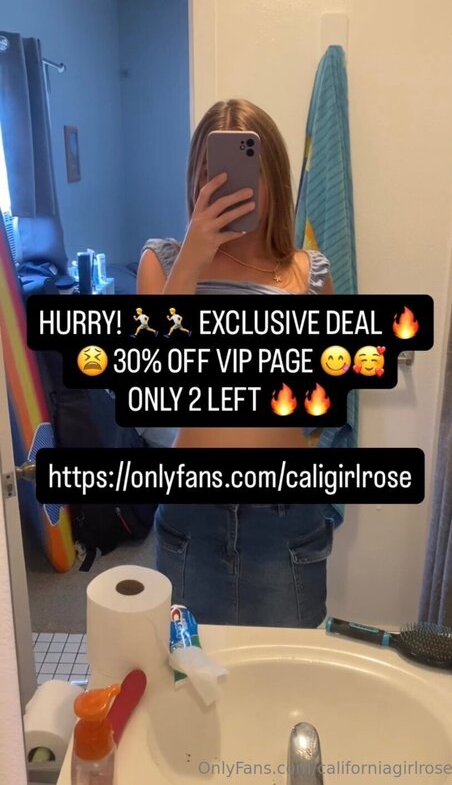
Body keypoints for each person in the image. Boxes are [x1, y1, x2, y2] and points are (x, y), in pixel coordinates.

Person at [137, 99, 334, 628]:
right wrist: (192, 261)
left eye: (246, 173)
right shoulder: (162, 263)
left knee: (285, 669)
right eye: (211, 173)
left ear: (275, 180)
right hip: (191, 513)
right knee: (186, 665)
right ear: (195, 179)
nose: (226, 187)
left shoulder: (310, 273)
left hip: (285, 515)